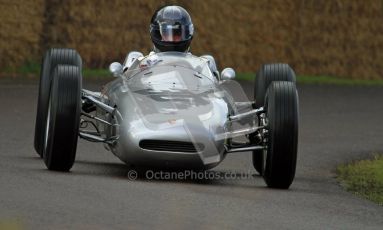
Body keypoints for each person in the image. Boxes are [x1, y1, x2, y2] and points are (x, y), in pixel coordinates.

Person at [124, 5, 219, 77]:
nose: (172, 39)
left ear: (188, 33)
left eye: (177, 34)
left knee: (208, 59)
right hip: (150, 101)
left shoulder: (201, 65)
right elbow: (126, 87)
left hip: (189, 100)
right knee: (134, 55)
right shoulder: (141, 63)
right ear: (156, 33)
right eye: (167, 33)